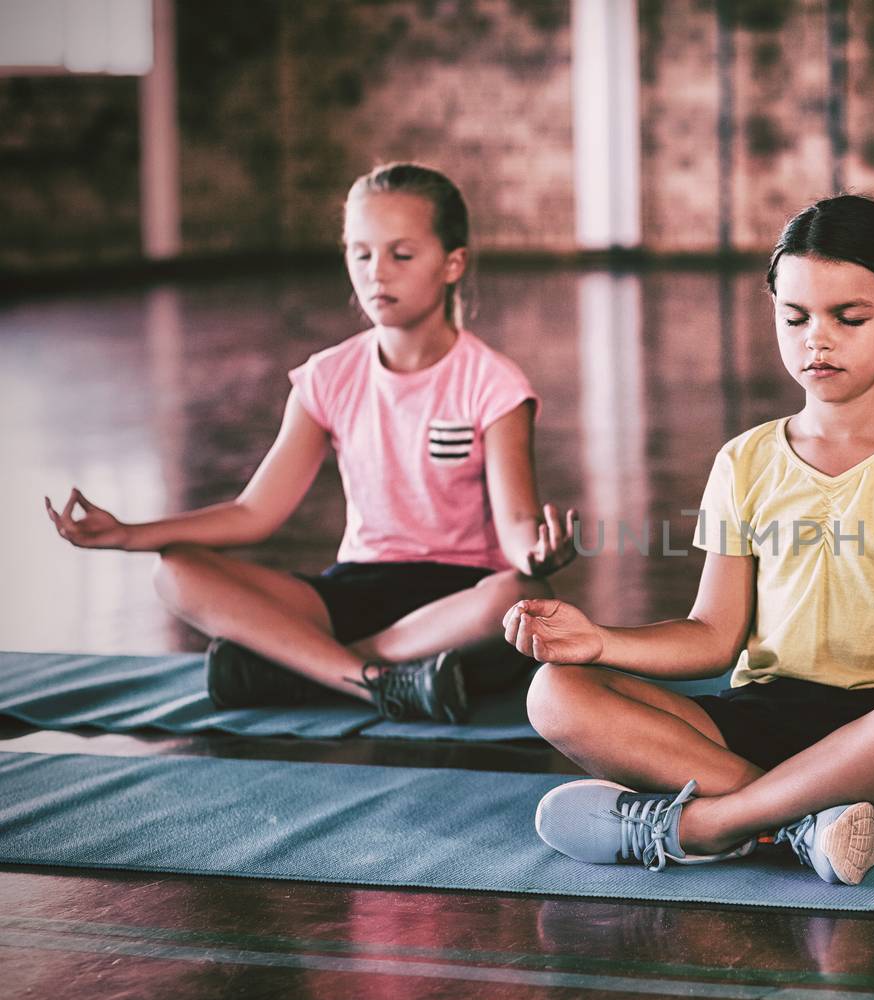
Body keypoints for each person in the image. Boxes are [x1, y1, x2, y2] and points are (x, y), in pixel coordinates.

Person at [506, 194, 874, 885]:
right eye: (794, 318)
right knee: (553, 690)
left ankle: (705, 824)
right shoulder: (745, 459)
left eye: (848, 318)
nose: (816, 340)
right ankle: (799, 824)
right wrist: (599, 642)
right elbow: (713, 634)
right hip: (761, 718)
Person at [45, 162, 574, 723]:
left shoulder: (494, 384)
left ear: (452, 264)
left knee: (520, 592)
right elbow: (254, 512)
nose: (377, 274)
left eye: (401, 254)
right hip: (352, 591)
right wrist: (130, 535)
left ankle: (299, 667)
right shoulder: (327, 376)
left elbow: (518, 526)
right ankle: (372, 681)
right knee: (174, 571)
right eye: (361, 253)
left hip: (458, 599)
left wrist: (536, 552)